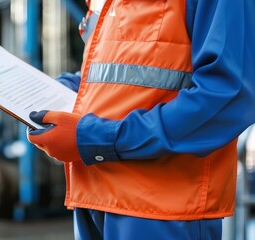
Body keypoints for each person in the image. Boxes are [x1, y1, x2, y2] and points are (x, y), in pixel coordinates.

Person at [27, 0, 255, 239]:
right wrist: (65, 89)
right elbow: (114, 67)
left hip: (162, 209)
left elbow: (228, 95)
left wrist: (99, 139)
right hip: (93, 198)